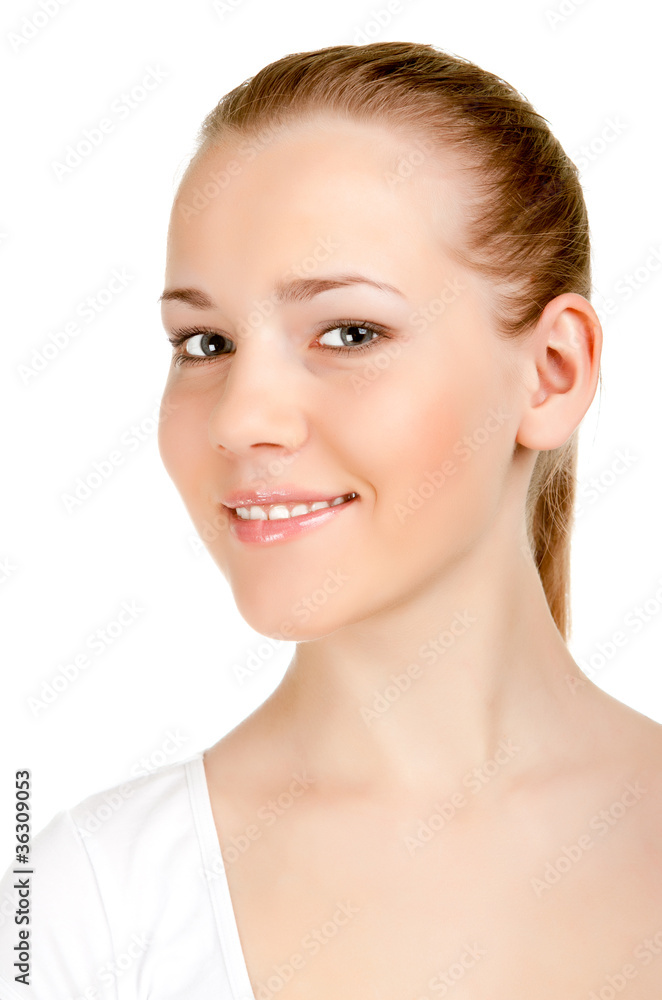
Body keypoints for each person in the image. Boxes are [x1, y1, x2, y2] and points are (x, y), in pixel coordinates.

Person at [2, 40, 661, 1000]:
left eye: (350, 332)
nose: (240, 418)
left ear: (553, 372)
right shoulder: (84, 904)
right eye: (205, 342)